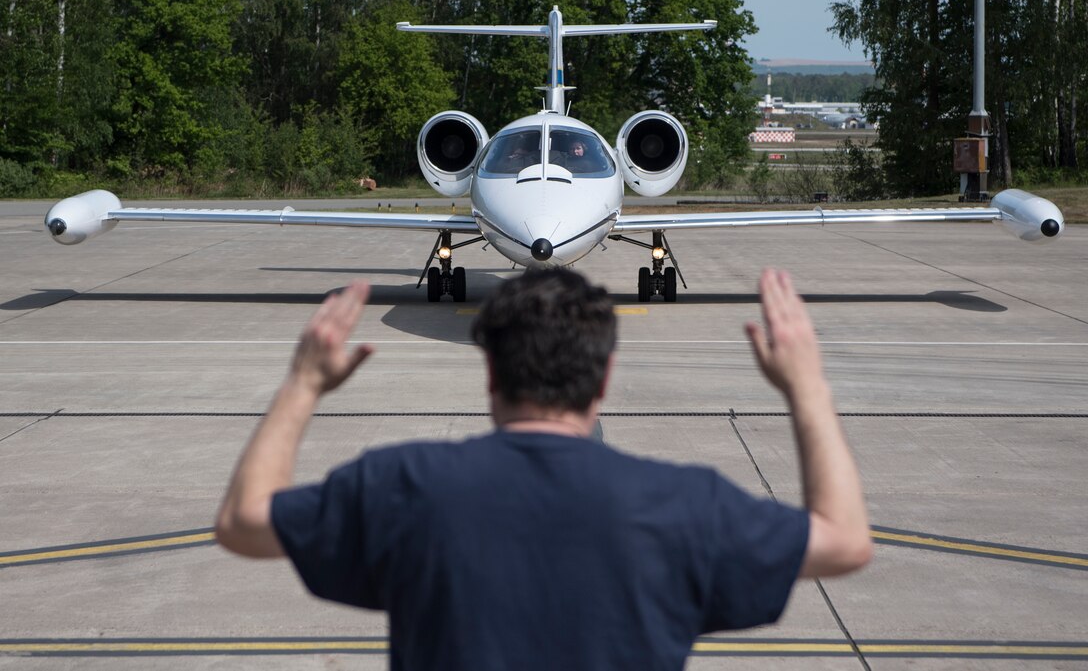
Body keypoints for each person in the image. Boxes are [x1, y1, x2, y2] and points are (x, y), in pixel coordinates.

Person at [216, 268, 871, 671]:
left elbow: (244, 521)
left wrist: (303, 382)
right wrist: (806, 385)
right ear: (605, 376)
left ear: (491, 372)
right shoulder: (686, 504)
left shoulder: (404, 484)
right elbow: (845, 540)